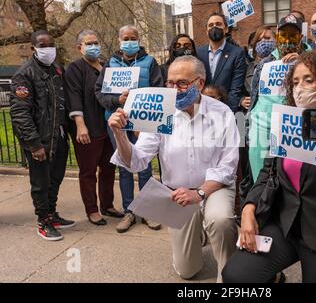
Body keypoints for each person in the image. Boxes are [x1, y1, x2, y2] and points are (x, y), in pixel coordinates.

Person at [222, 49, 316, 283]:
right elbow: (267, 172)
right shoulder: (287, 122)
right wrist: (248, 208)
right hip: (285, 226)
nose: (299, 88)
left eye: (308, 80)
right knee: (236, 276)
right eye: (294, 82)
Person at [108, 55, 240, 282]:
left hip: (214, 188)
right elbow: (137, 161)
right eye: (170, 82)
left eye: (182, 83)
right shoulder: (161, 112)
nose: (174, 88)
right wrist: (120, 134)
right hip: (178, 194)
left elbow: (228, 166)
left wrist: (199, 193)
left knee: (220, 219)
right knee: (187, 271)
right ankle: (199, 232)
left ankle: (229, 272)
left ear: (199, 83)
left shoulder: (222, 113)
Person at [95, 25, 164, 233]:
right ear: (119, 40)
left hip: (143, 121)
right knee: (124, 167)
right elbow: (99, 93)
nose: (130, 41)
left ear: (139, 39)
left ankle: (147, 211)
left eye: (133, 38)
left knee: (144, 166)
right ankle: (129, 211)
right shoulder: (110, 64)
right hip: (119, 122)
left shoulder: (150, 62)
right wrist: (118, 99)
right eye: (126, 38)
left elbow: (158, 90)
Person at [10, 30, 75, 241]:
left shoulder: (57, 69)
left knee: (55, 179)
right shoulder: (24, 74)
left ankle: (52, 213)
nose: (48, 49)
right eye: (43, 45)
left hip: (58, 136)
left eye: (51, 45)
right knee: (40, 182)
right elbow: (20, 113)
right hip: (40, 140)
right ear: (33, 48)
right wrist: (34, 144)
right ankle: (43, 221)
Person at [248, 14, 312, 181]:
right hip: (263, 130)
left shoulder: (315, 59)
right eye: (284, 35)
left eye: (293, 35)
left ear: (301, 37)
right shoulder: (264, 64)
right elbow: (254, 97)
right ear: (277, 37)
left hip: (295, 129)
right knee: (261, 180)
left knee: (292, 181)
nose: (288, 40)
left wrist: (304, 63)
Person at [64, 30, 117, 226]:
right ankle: (92, 209)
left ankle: (108, 205)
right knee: (88, 171)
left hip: (109, 127)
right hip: (88, 128)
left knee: (109, 167)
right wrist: (80, 125)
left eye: (96, 42)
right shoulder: (75, 69)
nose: (94, 46)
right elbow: (74, 97)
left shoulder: (106, 66)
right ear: (80, 48)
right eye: (89, 43)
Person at [197, 13, 248, 113]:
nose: (214, 27)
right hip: (202, 110)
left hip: (226, 109)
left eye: (218, 24)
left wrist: (227, 112)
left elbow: (235, 89)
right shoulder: (198, 53)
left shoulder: (237, 53)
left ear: (226, 29)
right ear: (206, 31)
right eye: (211, 25)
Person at [245, 26, 276, 95]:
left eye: (267, 38)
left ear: (276, 40)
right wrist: (241, 100)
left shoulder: (282, 63)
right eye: (259, 40)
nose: (263, 42)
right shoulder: (249, 67)